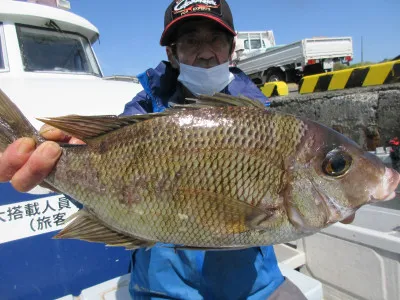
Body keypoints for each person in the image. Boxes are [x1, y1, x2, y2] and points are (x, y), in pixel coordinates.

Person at [0, 1, 354, 299]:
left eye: (216, 39)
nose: (204, 52)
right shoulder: (139, 113)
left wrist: (344, 195)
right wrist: (55, 173)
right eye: (190, 41)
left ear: (232, 49)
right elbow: (109, 193)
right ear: (172, 53)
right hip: (161, 290)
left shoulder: (265, 120)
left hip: (254, 287)